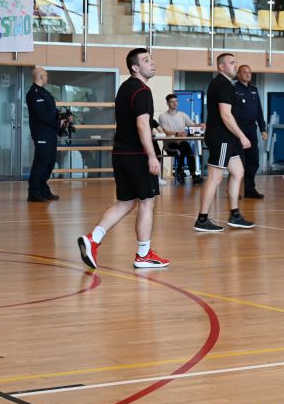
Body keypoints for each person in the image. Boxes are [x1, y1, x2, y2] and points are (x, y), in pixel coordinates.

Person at [77, 48, 169, 269]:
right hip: (137, 155)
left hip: (120, 153)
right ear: (135, 67)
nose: (152, 63)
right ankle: (143, 255)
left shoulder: (125, 87)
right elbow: (142, 124)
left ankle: (93, 239)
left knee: (126, 202)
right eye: (146, 60)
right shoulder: (142, 90)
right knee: (147, 202)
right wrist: (152, 155)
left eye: (151, 59)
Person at [195, 53, 255, 232]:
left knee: (238, 171)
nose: (235, 66)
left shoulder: (225, 84)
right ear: (221, 66)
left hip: (228, 138)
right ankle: (202, 219)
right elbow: (226, 115)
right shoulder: (223, 85)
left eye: (235, 62)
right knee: (215, 176)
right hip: (221, 137)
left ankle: (235, 215)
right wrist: (242, 136)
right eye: (231, 63)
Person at [25, 67, 66, 202]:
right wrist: (58, 123)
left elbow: (52, 111)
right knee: (41, 163)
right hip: (41, 134)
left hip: (51, 134)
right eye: (46, 75)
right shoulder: (33, 93)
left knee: (49, 163)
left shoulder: (46, 93)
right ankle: (34, 192)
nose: (47, 78)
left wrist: (63, 117)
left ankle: (43, 190)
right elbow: (42, 115)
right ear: (41, 77)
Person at [233, 64, 269, 200]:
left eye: (249, 72)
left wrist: (263, 129)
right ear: (238, 75)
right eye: (244, 72)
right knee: (237, 161)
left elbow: (259, 111)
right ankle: (234, 191)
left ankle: (249, 189)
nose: (248, 74)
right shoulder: (233, 89)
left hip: (251, 129)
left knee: (253, 160)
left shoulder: (254, 90)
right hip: (238, 129)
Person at [158, 93, 203, 185]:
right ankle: (179, 172)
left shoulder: (182, 115)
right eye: (172, 102)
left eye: (176, 101)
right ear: (167, 103)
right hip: (170, 143)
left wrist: (200, 125)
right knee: (181, 150)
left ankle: (193, 174)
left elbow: (192, 125)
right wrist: (177, 133)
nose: (175, 103)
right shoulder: (163, 116)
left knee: (189, 153)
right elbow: (165, 131)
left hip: (182, 142)